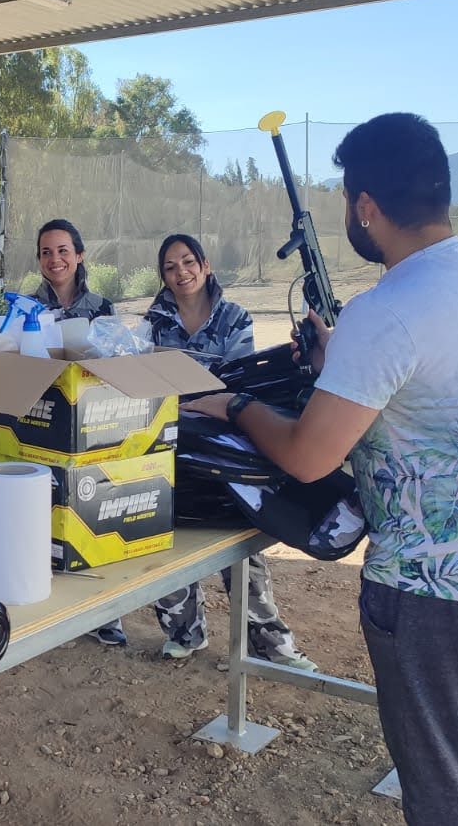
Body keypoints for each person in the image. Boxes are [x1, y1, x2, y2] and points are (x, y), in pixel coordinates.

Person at [183, 113, 458, 825]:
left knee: (441, 787)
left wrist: (231, 404)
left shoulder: (384, 312)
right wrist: (338, 366)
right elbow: (423, 389)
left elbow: (307, 454)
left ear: (366, 208)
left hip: (439, 596)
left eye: (345, 201)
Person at [119, 234, 315, 669]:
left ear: (205, 266)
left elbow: (237, 382)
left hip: (226, 444)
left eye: (188, 262)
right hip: (170, 439)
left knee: (241, 542)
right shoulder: (153, 323)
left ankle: (269, 642)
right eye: (170, 267)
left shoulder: (234, 317)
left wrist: (195, 392)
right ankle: (184, 631)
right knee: (166, 530)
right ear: (163, 277)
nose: (181, 272)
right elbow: (144, 375)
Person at [31, 219, 113, 320]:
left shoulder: (103, 309)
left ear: (79, 256)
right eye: (46, 252)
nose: (55, 259)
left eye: (63, 251)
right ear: (40, 259)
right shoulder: (24, 309)